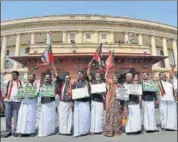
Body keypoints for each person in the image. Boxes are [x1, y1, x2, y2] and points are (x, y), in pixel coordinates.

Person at [104, 71, 126, 137]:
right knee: (110, 116)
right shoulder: (111, 84)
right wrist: (107, 71)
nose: (114, 79)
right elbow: (105, 78)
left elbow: (123, 95)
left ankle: (117, 131)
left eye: (115, 78)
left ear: (118, 79)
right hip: (111, 102)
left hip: (118, 103)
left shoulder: (120, 85)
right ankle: (109, 131)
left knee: (118, 116)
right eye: (113, 78)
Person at [2, 71, 23, 138]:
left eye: (14, 75)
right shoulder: (8, 82)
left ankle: (15, 131)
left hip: (17, 101)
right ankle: (8, 131)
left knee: (16, 117)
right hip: (8, 101)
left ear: (17, 75)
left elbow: (24, 91)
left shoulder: (21, 82)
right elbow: (2, 83)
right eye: (12, 75)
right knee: (8, 117)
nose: (13, 76)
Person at [87, 62, 105, 134]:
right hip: (94, 100)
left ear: (100, 76)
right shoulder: (93, 81)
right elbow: (88, 74)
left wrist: (103, 93)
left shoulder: (102, 82)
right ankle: (93, 130)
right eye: (96, 75)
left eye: (99, 75)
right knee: (93, 115)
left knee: (100, 115)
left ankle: (99, 129)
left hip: (100, 101)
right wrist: (89, 67)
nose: (97, 75)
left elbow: (105, 91)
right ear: (95, 76)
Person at [73, 70, 91, 137]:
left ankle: (85, 131)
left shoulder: (86, 82)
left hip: (85, 102)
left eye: (81, 74)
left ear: (83, 75)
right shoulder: (75, 83)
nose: (80, 75)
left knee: (85, 117)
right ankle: (78, 131)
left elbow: (90, 91)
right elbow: (73, 91)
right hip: (78, 102)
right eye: (78, 74)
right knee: (78, 118)